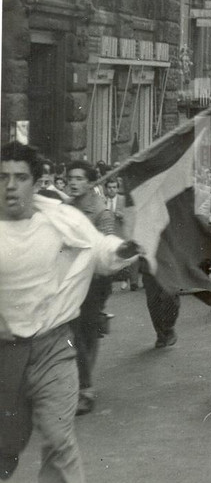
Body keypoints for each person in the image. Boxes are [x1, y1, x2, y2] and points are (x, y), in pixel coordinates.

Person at [0, 142, 141, 483]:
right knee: (5, 443)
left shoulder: (62, 220)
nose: (10, 186)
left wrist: (123, 250)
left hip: (54, 347)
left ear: (36, 183)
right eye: (2, 177)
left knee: (59, 439)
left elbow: (100, 250)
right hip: (3, 353)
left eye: (20, 177)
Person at [64, 160, 117, 417]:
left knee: (80, 334)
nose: (73, 183)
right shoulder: (63, 209)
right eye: (70, 178)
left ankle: (84, 390)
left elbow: (107, 250)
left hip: (93, 282)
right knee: (75, 334)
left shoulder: (101, 213)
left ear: (90, 182)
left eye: (78, 178)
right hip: (66, 280)